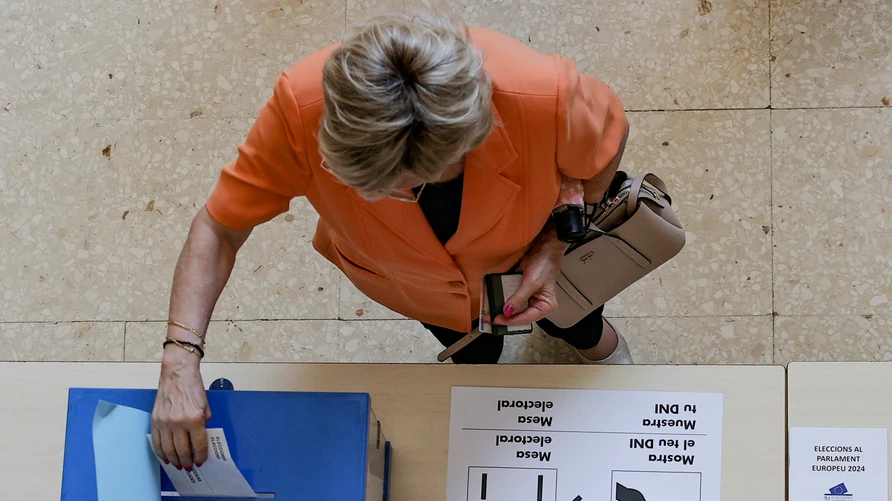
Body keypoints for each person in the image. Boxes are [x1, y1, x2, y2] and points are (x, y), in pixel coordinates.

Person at [152, 8, 631, 470]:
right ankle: (482, 358)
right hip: (411, 283)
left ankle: (598, 346)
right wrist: (179, 356)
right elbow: (219, 227)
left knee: (577, 318)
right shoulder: (300, 106)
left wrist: (553, 245)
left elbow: (605, 149)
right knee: (473, 348)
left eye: (419, 180)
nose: (400, 195)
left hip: (529, 248)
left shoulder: (545, 93)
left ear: (473, 134)